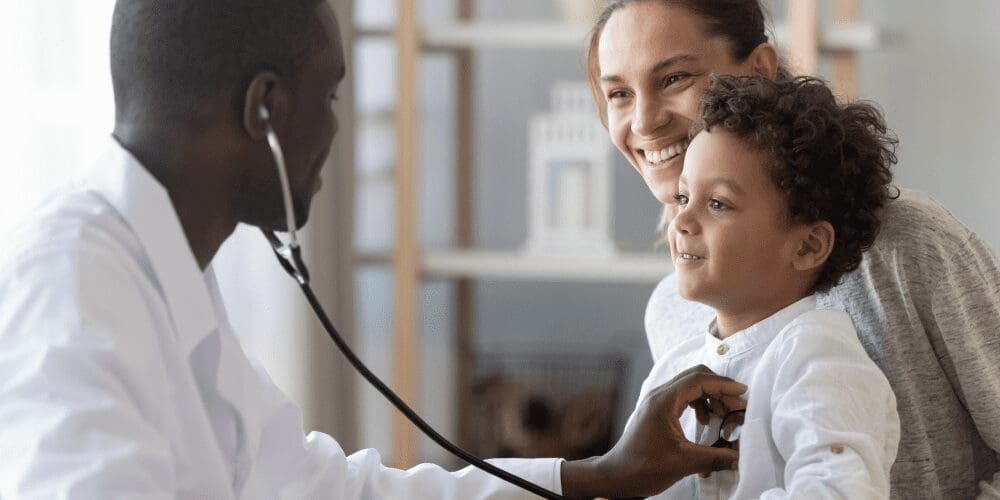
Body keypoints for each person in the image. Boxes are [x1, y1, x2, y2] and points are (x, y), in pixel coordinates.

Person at [0, 0, 749, 498]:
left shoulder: (163, 280)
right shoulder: (70, 282)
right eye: (329, 97)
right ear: (265, 109)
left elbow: (327, 487)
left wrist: (602, 475)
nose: (337, 133)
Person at [587, 1, 1000, 498]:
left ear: (758, 69)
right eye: (618, 93)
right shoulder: (676, 310)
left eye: (674, 78)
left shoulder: (908, 245)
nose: (646, 121)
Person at [632, 73, 902, 497]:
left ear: (809, 245)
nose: (681, 222)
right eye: (683, 198)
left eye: (717, 203)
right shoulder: (672, 372)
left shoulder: (819, 359)